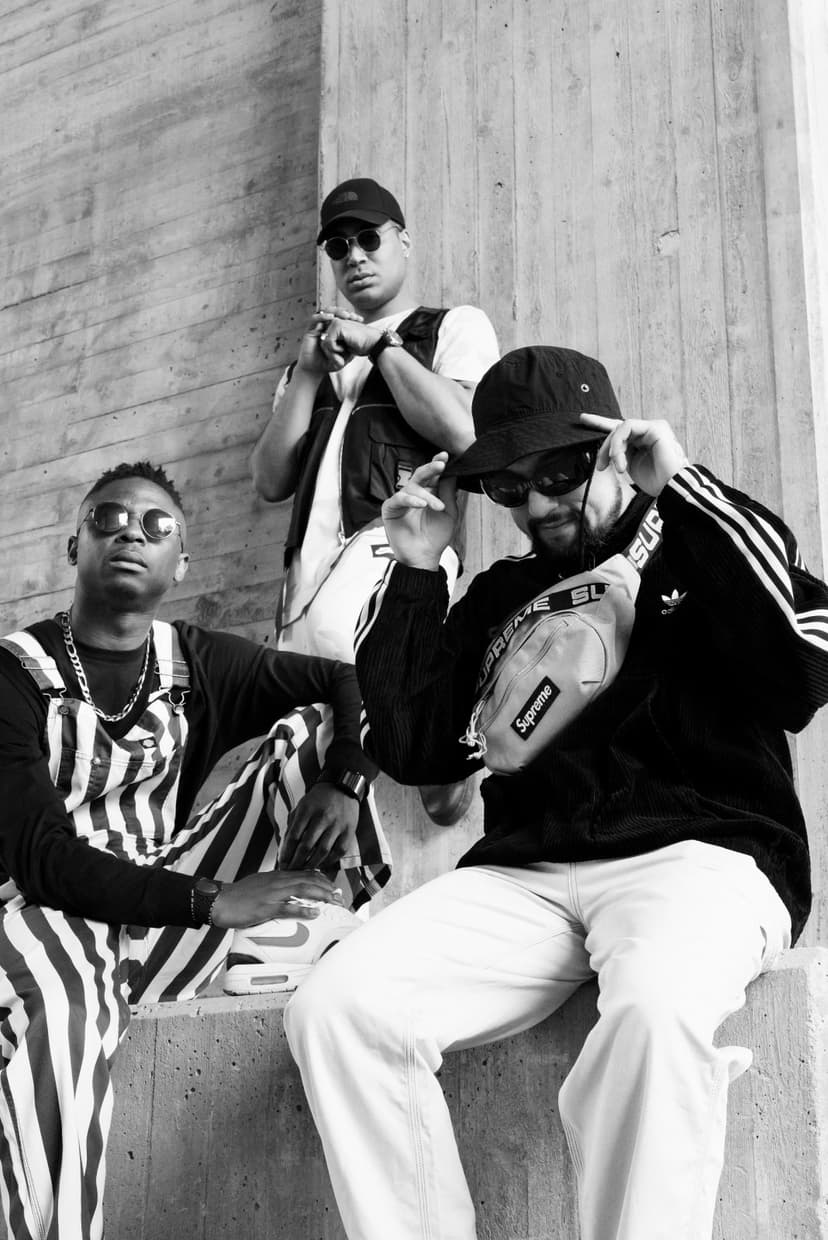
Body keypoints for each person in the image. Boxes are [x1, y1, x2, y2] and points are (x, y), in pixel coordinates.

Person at [284, 346, 828, 1240]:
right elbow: (416, 749)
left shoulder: (701, 535)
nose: (537, 505)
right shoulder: (501, 592)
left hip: (700, 857)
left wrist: (682, 486)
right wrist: (414, 569)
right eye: (509, 487)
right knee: (338, 1008)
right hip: (525, 876)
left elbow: (804, 668)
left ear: (613, 446)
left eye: (559, 474)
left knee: (656, 1009)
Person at [0, 460, 383, 1240]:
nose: (130, 533)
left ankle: (329, 931)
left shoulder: (194, 660)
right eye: (108, 519)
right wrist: (213, 901)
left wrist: (345, 779)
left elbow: (351, 681)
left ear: (181, 563)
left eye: (156, 525)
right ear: (74, 546)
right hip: (45, 914)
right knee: (69, 1007)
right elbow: (41, 859)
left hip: (161, 917)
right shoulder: (15, 673)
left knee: (313, 730)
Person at [250, 176, 499, 825]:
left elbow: (467, 434)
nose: (354, 256)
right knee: (299, 733)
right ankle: (413, 746)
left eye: (369, 238)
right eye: (338, 247)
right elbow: (270, 480)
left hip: (397, 541)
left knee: (350, 645)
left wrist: (383, 346)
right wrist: (308, 374)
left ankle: (438, 744)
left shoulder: (452, 326)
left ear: (403, 242)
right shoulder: (311, 362)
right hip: (307, 571)